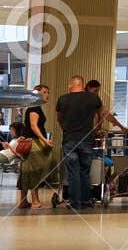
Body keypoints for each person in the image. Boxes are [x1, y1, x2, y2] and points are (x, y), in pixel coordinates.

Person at [55, 75, 105, 210]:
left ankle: (75, 203)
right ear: (82, 85)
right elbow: (101, 114)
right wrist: (96, 129)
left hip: (69, 139)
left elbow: (59, 118)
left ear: (71, 85)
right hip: (87, 139)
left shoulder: (62, 99)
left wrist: (66, 129)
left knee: (73, 172)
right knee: (84, 172)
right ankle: (86, 201)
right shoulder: (93, 98)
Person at [14, 86, 56, 210]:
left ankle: (23, 201)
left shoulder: (33, 107)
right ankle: (35, 201)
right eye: (44, 92)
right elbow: (33, 126)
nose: (47, 95)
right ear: (37, 94)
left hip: (31, 142)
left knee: (26, 171)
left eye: (48, 92)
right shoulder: (35, 108)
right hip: (34, 144)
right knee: (35, 172)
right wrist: (45, 140)